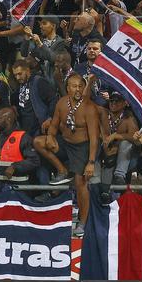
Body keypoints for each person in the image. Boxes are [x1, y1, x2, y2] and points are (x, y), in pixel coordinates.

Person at [34, 73, 99, 236]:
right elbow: (54, 125)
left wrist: (91, 162)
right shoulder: (62, 103)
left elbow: (94, 138)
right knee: (39, 142)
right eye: (74, 86)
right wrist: (50, 135)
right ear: (68, 88)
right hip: (65, 143)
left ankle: (83, 222)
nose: (78, 89)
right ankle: (62, 170)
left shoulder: (89, 107)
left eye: (80, 86)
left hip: (82, 148)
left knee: (80, 183)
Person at [0, 107, 40, 184]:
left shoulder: (23, 137)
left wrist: (14, 167)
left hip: (17, 186)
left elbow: (34, 161)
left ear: (8, 119)